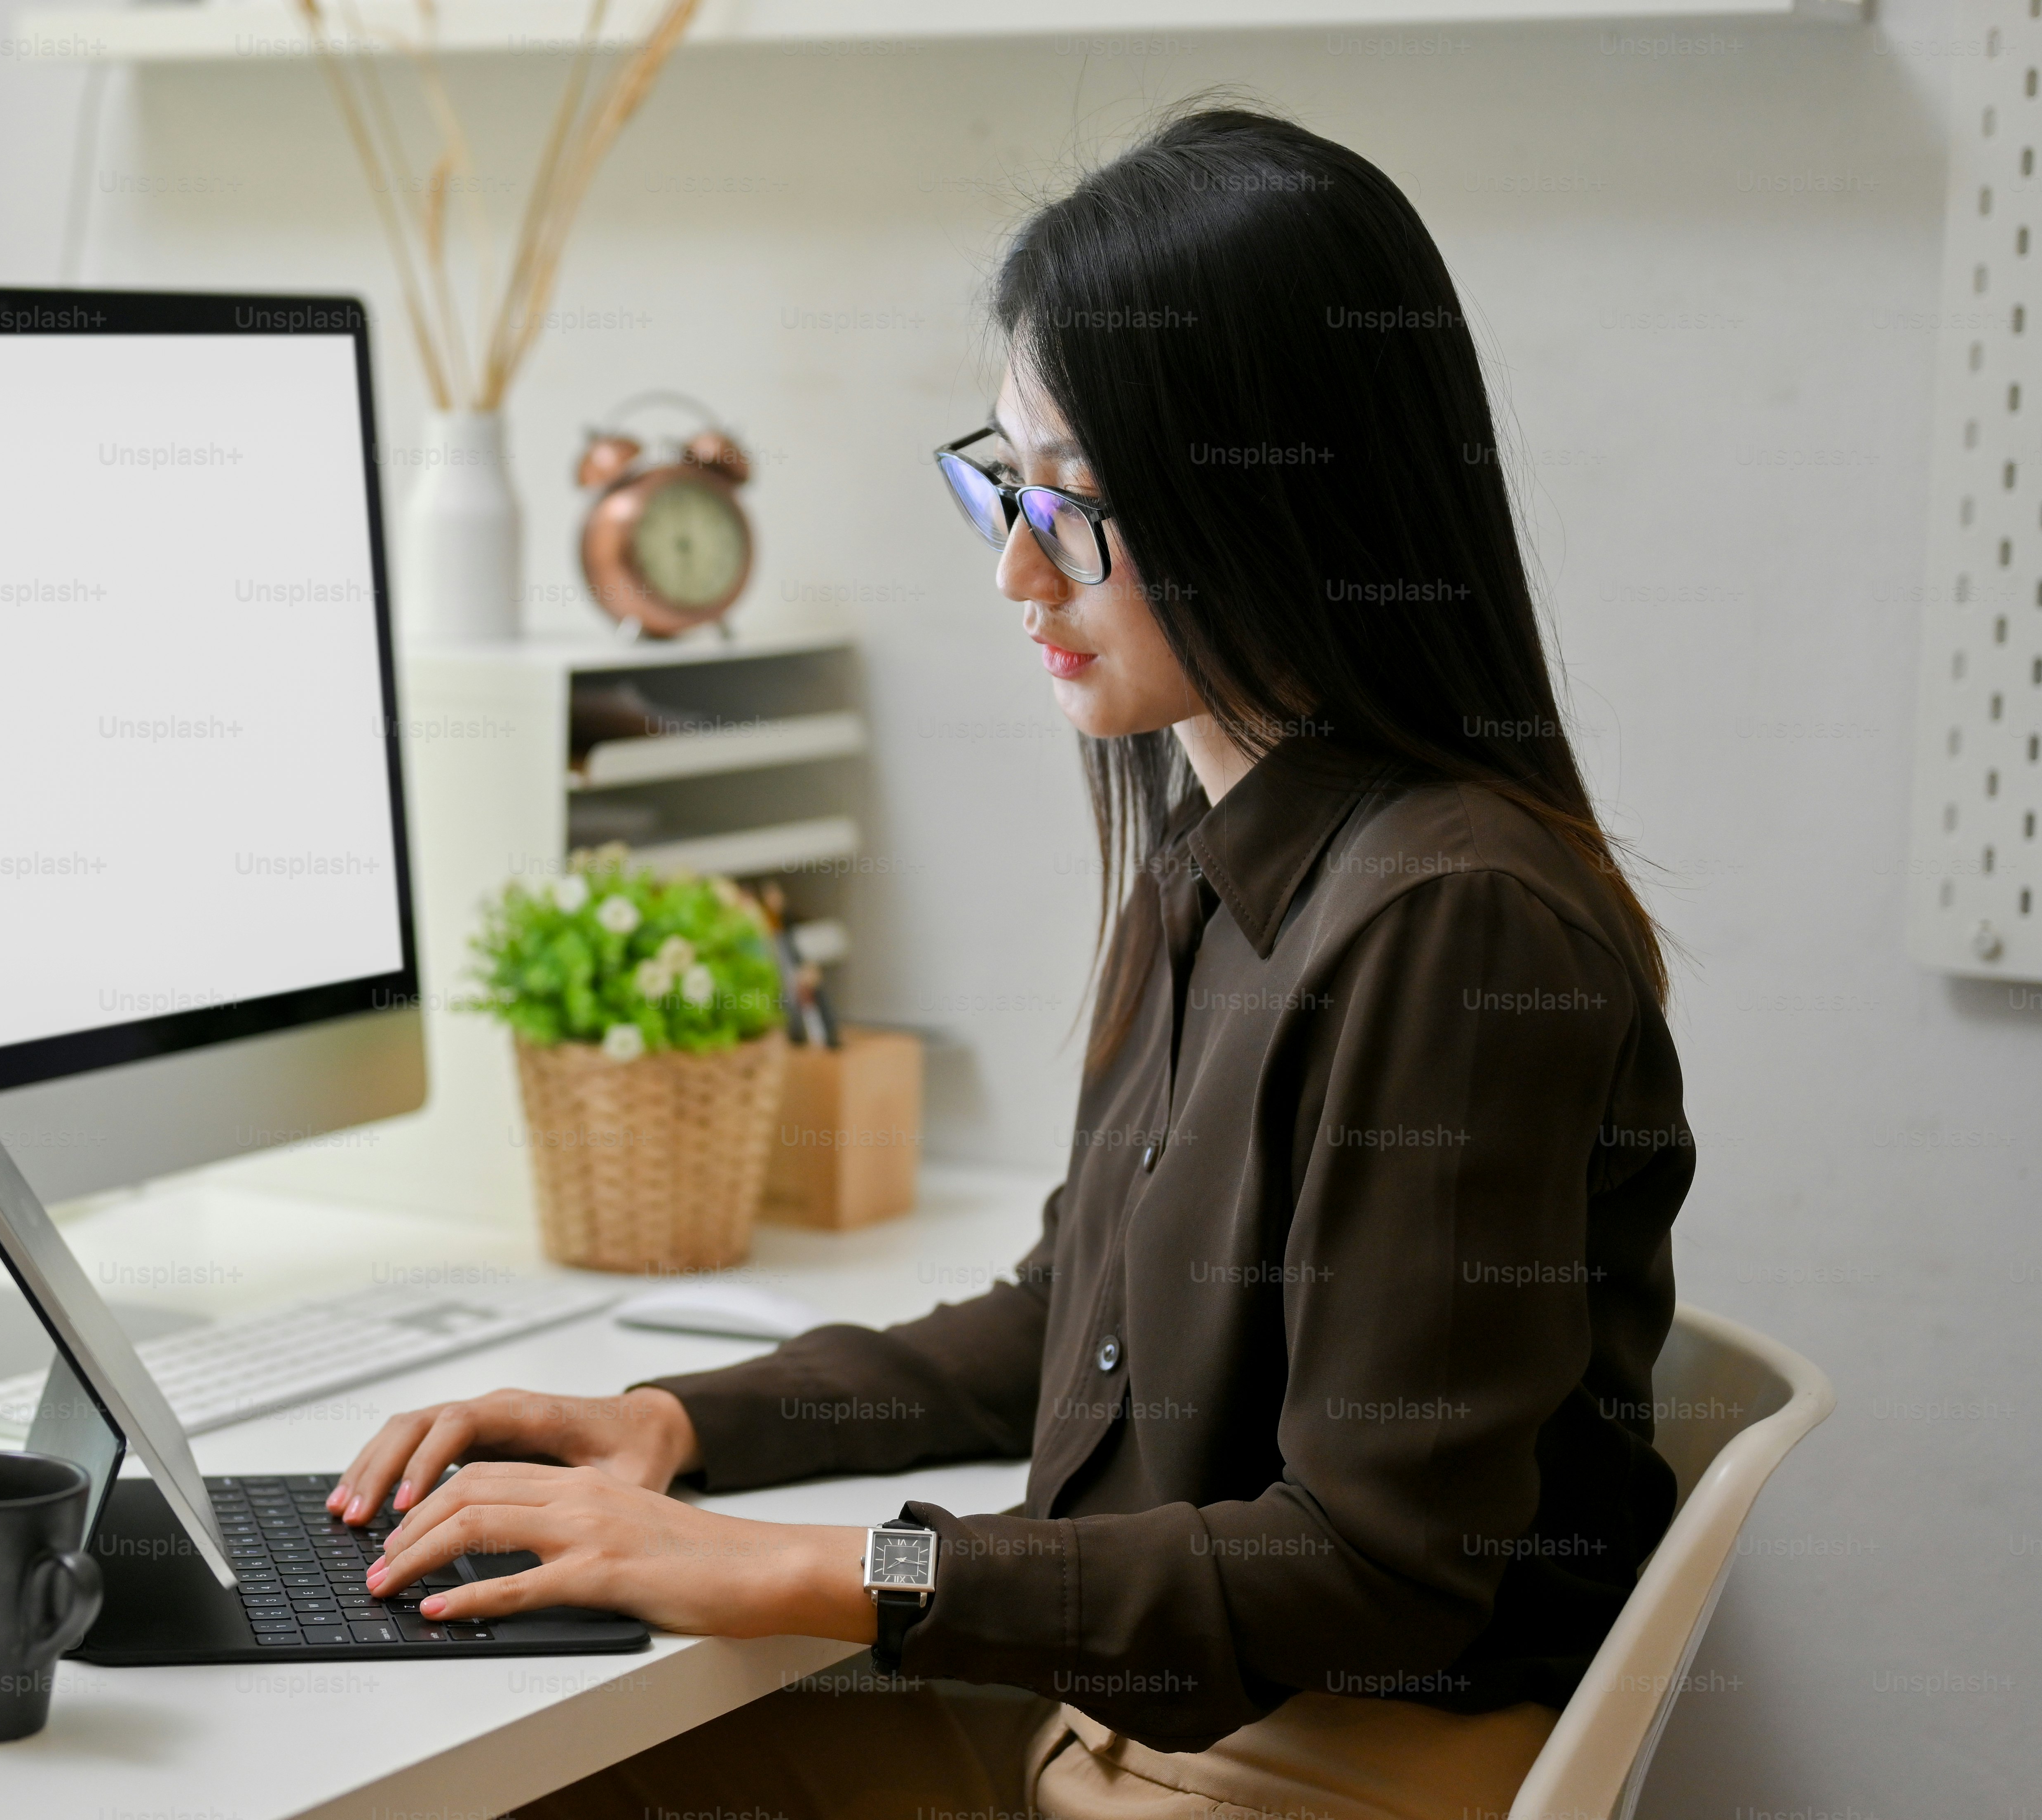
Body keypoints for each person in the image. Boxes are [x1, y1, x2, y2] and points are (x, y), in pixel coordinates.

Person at [339, 105, 1690, 1820]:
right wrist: (676, 1424)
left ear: (1284, 509)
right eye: (1006, 482)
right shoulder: (1225, 848)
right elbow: (1073, 1322)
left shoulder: (1451, 926)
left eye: (1077, 508)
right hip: (1132, 1720)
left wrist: (820, 1571)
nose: (1011, 569)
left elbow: (1367, 1572)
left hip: (1304, 1767)